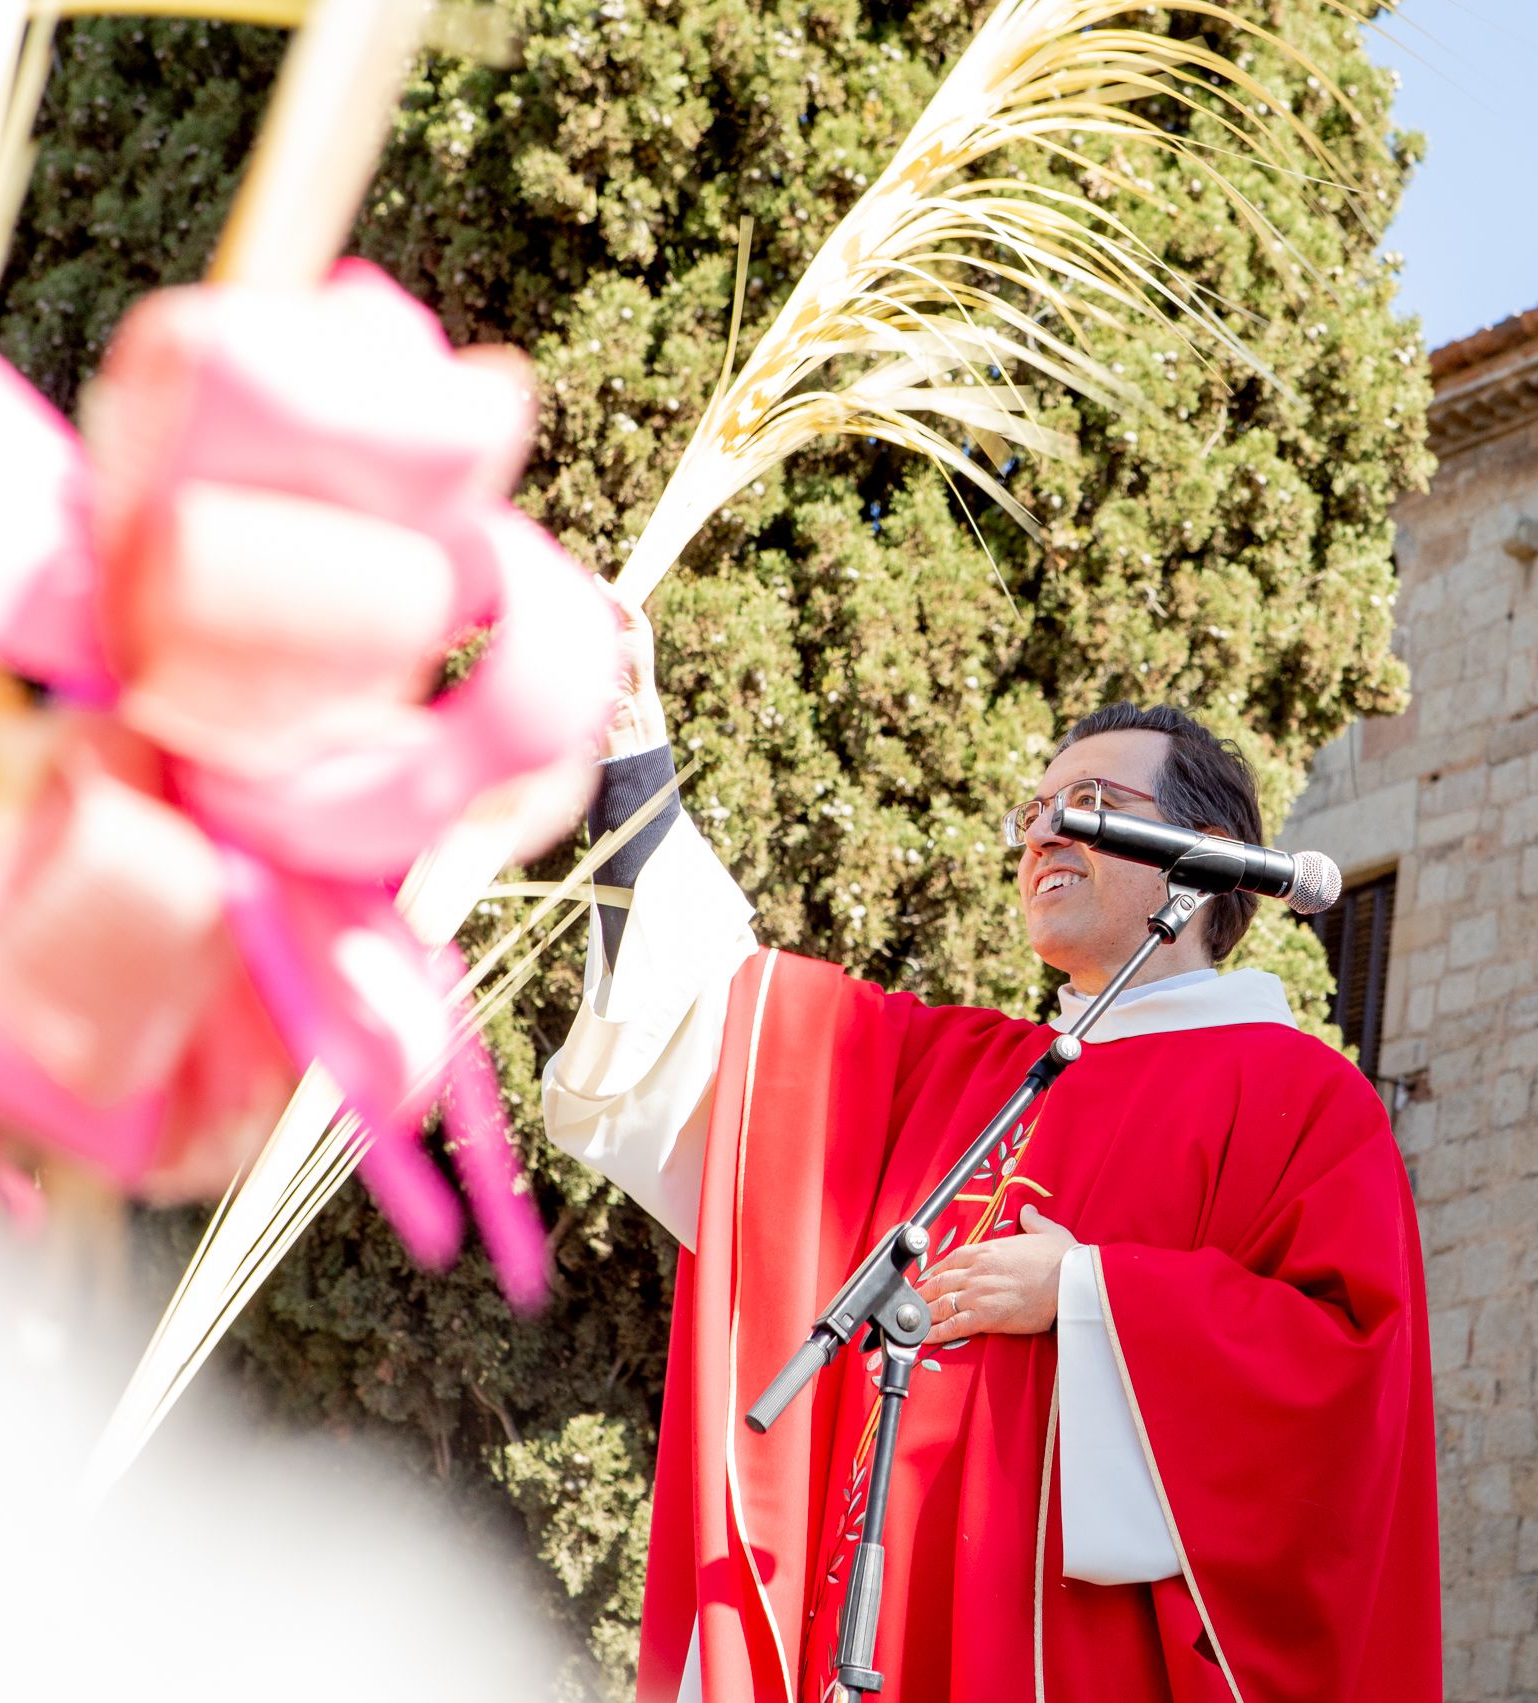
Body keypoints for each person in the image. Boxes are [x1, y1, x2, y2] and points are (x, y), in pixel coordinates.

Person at [542, 586, 1441, 1703]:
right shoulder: (966, 1073)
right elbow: (733, 1054)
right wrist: (630, 753)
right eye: (1037, 810)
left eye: (1095, 805)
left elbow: (1344, 1395)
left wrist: (1088, 1291)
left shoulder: (1301, 1099)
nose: (1046, 833)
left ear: (1205, 855)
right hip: (883, 1637)